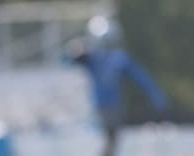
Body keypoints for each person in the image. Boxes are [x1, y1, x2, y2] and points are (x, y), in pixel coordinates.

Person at [67, 15, 168, 156]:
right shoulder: (92, 58)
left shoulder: (116, 59)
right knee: (110, 140)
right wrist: (75, 50)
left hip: (112, 107)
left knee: (112, 141)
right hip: (101, 108)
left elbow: (142, 78)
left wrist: (157, 97)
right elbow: (66, 59)